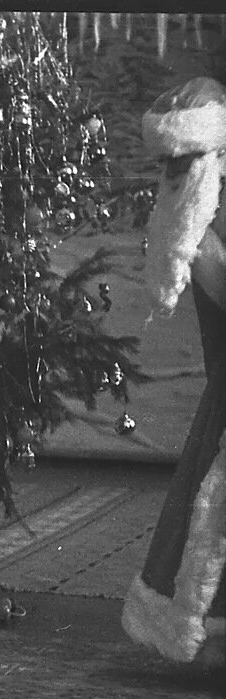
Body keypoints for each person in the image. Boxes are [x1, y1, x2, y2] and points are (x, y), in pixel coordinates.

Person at [122, 77, 226, 665]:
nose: (173, 172)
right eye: (168, 162)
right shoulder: (190, 210)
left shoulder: (208, 209)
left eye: (184, 159)